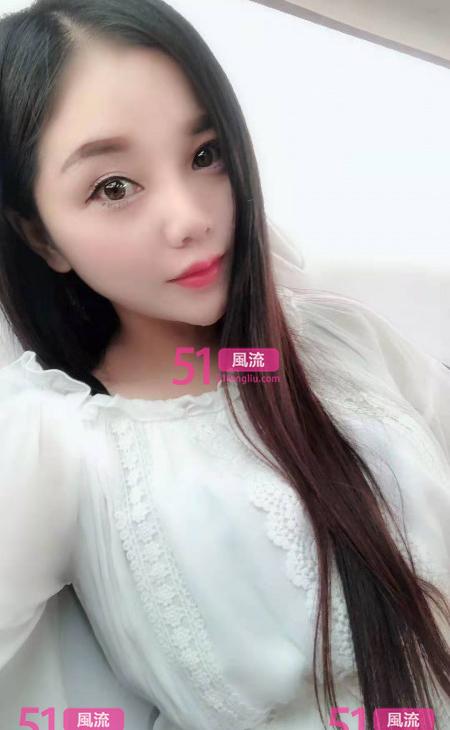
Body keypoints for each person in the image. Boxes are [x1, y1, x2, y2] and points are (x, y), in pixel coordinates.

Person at [0, 1, 448, 729]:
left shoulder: (335, 342)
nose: (191, 218)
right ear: (42, 238)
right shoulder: (57, 449)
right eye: (113, 187)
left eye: (205, 154)